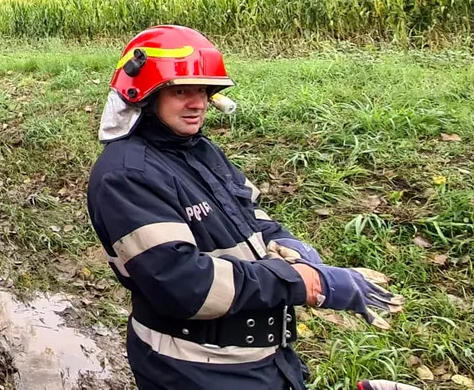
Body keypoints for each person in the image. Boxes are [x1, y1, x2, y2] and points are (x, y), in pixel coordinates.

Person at [87, 25, 401, 390]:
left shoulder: (198, 150)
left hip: (258, 357)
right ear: (144, 95)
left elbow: (249, 213)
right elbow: (186, 284)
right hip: (194, 366)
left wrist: (286, 242)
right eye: (181, 90)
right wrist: (304, 282)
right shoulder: (128, 175)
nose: (198, 103)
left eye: (203, 90)